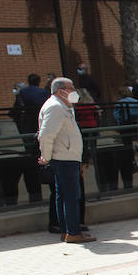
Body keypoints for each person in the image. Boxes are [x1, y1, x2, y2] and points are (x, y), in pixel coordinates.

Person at [37, 77, 94, 243]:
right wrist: (46, 157)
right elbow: (46, 135)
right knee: (71, 196)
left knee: (63, 195)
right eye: (71, 88)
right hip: (64, 158)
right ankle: (73, 232)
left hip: (66, 157)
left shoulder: (63, 106)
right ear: (60, 90)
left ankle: (68, 231)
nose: (74, 91)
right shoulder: (55, 107)